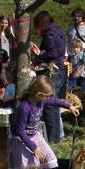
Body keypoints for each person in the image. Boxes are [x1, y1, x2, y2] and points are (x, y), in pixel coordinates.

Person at [7, 76, 78, 169]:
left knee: (48, 157)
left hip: (34, 135)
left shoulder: (42, 100)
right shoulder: (25, 107)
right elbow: (20, 131)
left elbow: (54, 101)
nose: (48, 98)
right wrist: (34, 148)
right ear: (38, 94)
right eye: (46, 95)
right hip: (22, 140)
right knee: (28, 168)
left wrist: (69, 106)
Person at [29, 11, 68, 144]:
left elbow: (52, 53)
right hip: (60, 70)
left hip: (54, 72)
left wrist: (36, 58)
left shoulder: (50, 34)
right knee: (54, 104)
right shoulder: (57, 30)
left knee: (49, 105)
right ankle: (56, 136)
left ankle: (52, 138)